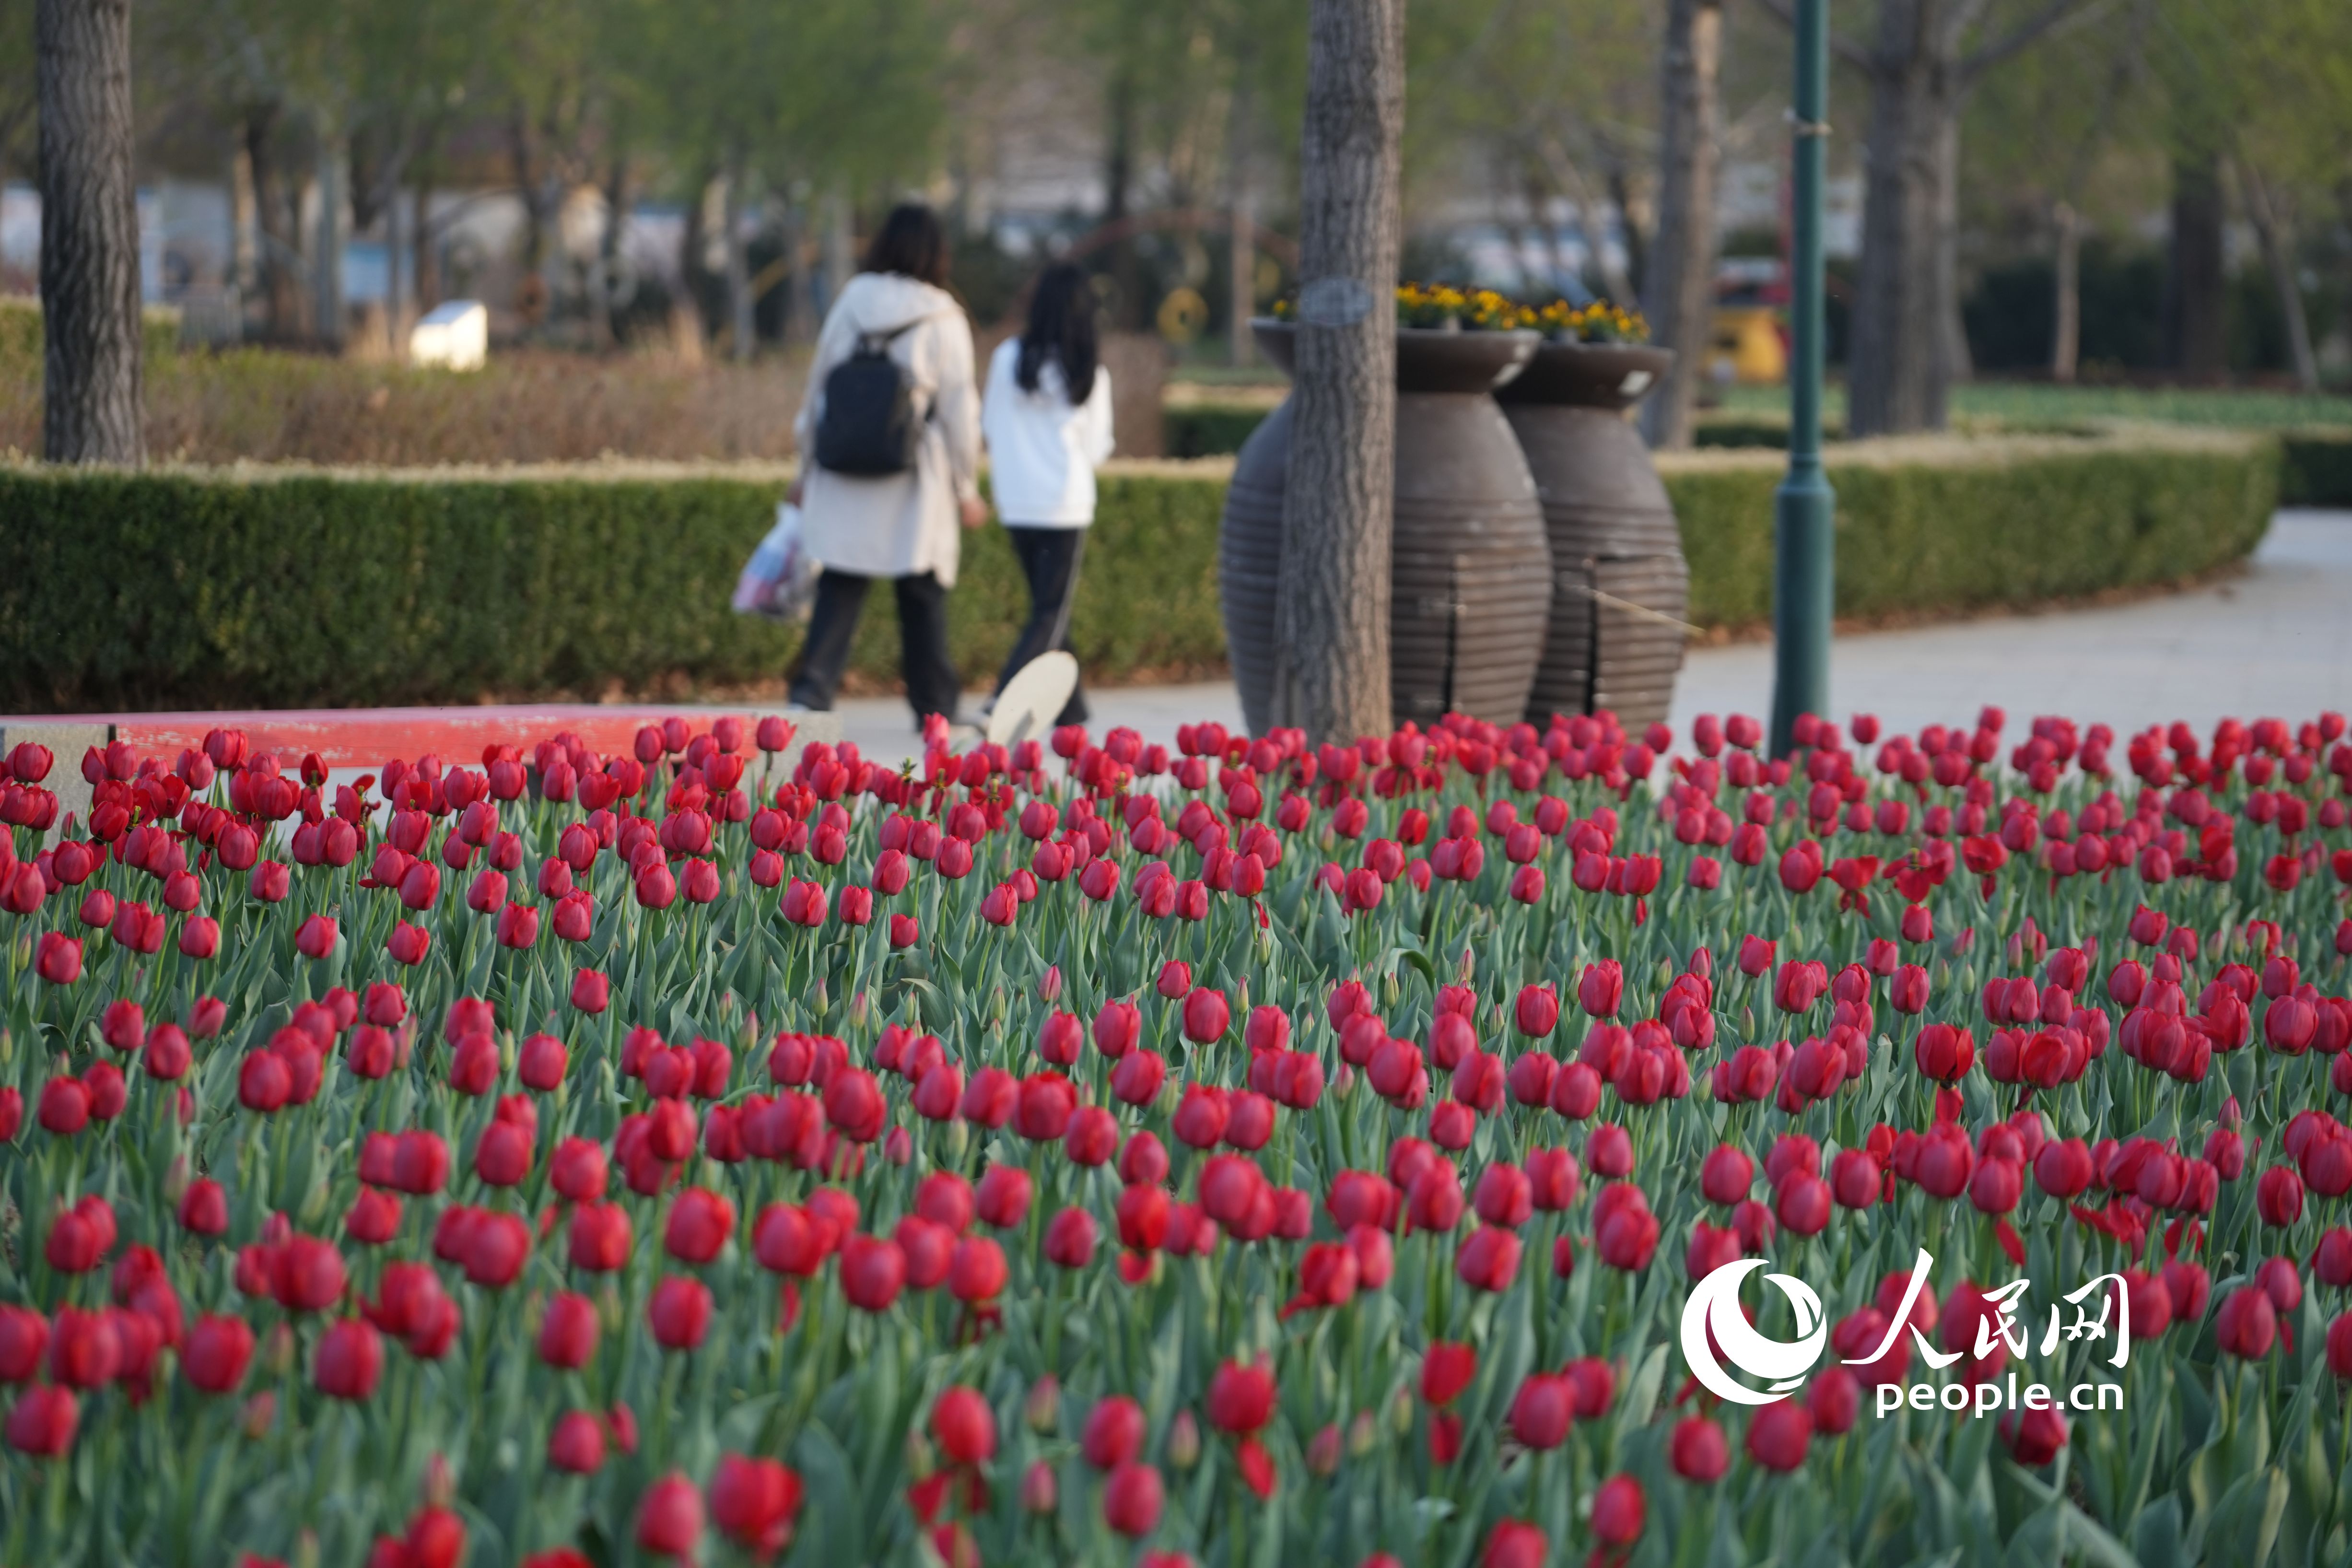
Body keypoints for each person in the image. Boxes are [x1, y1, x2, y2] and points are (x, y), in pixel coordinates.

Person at [786, 203, 985, 725]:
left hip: (842, 465)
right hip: (912, 475)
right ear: (937, 251)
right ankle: (935, 712)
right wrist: (967, 487)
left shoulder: (852, 300)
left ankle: (810, 698)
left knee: (841, 583)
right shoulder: (944, 316)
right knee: (920, 593)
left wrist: (803, 468)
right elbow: (960, 411)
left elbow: (818, 391)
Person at [980, 262, 1115, 726]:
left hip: (1016, 500)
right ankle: (1002, 699)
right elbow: (1097, 448)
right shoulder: (1088, 370)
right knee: (1050, 612)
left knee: (1049, 610)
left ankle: (1071, 711)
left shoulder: (1006, 359)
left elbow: (989, 427)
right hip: (1065, 503)